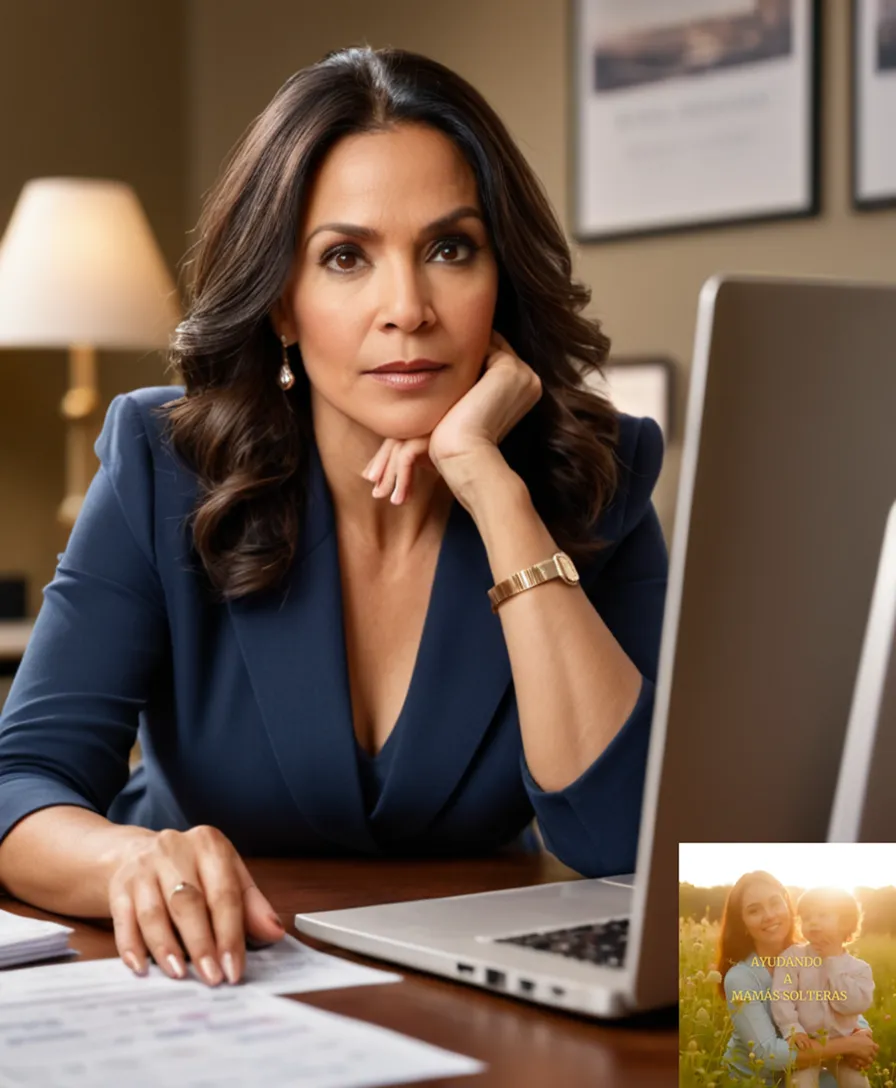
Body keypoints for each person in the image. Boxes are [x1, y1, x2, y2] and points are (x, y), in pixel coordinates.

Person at [0, 47, 667, 989]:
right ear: (282, 301)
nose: (408, 308)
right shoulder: (165, 463)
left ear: (500, 279)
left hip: (466, 992)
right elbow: (18, 781)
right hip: (203, 983)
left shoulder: (601, 474)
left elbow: (623, 843)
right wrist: (127, 861)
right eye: (345, 257)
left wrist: (493, 490)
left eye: (450, 248)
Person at [716, 872, 878, 1086]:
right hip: (756, 1079)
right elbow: (768, 1053)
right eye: (754, 910)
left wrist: (861, 1032)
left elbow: (837, 1002)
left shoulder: (814, 953)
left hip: (809, 1065)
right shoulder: (741, 978)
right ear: (743, 923)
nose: (769, 915)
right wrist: (849, 1045)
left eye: (775, 903)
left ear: (788, 906)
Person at [770, 887, 874, 1088]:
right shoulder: (792, 958)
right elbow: (782, 997)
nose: (813, 922)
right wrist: (792, 1030)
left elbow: (851, 1006)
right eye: (807, 918)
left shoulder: (859, 969)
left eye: (822, 915)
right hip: (808, 1044)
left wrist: (833, 961)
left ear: (845, 923)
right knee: (801, 1084)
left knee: (858, 1083)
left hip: (844, 1047)